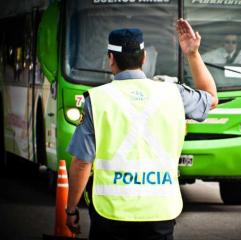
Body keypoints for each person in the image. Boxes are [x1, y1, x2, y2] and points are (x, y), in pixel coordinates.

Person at [65, 18, 218, 240]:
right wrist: (192, 54)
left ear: (110, 59)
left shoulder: (97, 99)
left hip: (111, 213)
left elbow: (81, 163)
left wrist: (71, 209)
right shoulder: (174, 94)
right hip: (160, 211)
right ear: (144, 58)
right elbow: (211, 98)